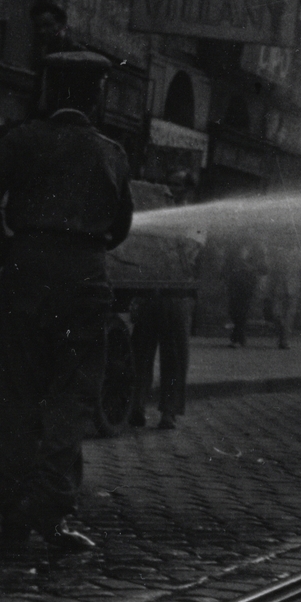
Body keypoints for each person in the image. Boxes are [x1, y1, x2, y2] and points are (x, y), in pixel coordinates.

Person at [0, 51, 133, 551]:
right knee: (72, 397)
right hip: (85, 280)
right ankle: (52, 512)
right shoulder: (112, 153)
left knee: (13, 395)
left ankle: (14, 513)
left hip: (25, 274)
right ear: (96, 95)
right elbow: (119, 228)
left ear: (49, 92)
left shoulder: (21, 141)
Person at [129, 171, 197, 430]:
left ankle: (168, 412)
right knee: (140, 352)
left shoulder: (195, 216)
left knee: (175, 355)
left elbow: (189, 252)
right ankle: (135, 406)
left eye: (179, 185)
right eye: (171, 184)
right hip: (151, 290)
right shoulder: (157, 210)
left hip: (176, 292)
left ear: (188, 191)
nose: (173, 189)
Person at [225, 235, 268, 347]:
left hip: (248, 284)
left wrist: (251, 269)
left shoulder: (257, 251)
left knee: (242, 310)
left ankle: (236, 338)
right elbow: (227, 266)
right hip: (235, 284)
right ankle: (240, 337)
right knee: (234, 310)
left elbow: (264, 268)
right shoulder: (234, 251)